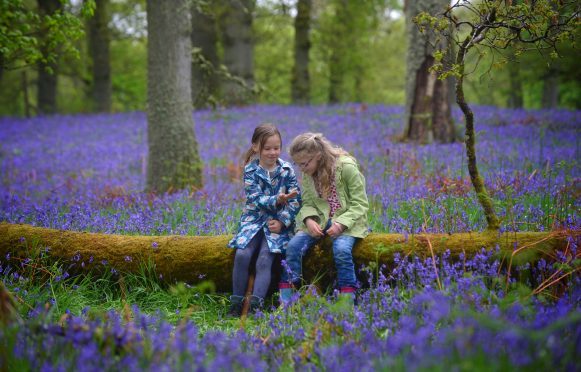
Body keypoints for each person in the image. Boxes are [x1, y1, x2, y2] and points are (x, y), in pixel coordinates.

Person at [279, 132, 369, 305]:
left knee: (342, 250)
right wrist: (309, 220)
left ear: (318, 156)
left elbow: (360, 203)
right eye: (298, 165)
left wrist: (341, 224)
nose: (302, 169)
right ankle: (287, 299)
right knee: (292, 247)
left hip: (348, 222)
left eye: (305, 164)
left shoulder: (347, 167)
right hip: (320, 221)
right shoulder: (308, 174)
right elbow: (306, 202)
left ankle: (346, 299)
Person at [227, 123, 301, 317]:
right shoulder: (250, 170)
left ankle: (255, 307)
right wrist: (277, 199)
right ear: (255, 147)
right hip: (253, 221)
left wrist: (283, 221)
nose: (272, 152)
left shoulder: (287, 170)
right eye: (267, 148)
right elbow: (255, 198)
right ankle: (236, 303)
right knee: (242, 255)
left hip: (275, 225)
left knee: (264, 260)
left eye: (276, 148)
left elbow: (296, 201)